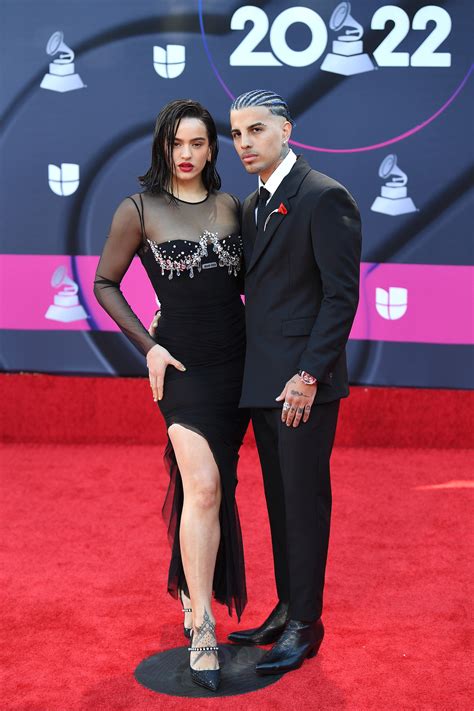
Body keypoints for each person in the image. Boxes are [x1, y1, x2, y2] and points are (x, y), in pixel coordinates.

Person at [93, 99, 249, 692]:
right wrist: (148, 346)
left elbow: (249, 286)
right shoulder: (138, 209)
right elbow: (106, 281)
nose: (186, 155)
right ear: (162, 147)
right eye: (175, 144)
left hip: (237, 364)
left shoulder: (232, 208)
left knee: (208, 489)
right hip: (180, 367)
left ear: (213, 149)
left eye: (198, 144)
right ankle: (203, 627)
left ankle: (192, 591)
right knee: (203, 485)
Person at [228, 90, 362, 675]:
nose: (245, 143)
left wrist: (310, 374)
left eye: (256, 130)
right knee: (281, 503)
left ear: (285, 130)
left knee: (304, 504)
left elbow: (340, 296)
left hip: (302, 386)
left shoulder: (323, 196)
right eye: (236, 134)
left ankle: (307, 625)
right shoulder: (254, 204)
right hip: (261, 381)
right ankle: (287, 607)